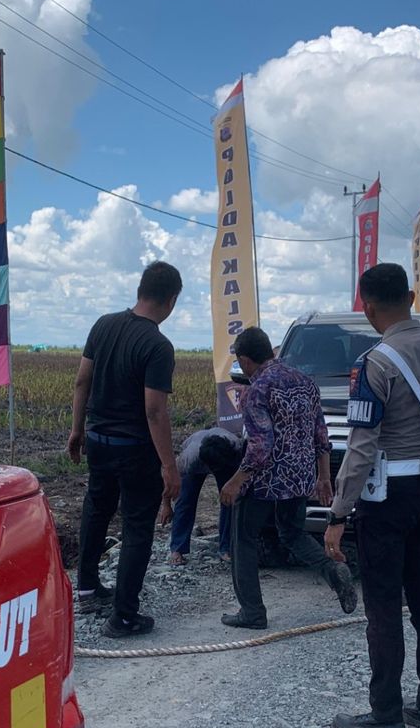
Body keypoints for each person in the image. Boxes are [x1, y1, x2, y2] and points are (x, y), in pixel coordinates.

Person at [324, 263, 420, 728]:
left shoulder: (374, 363)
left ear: (366, 307)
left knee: (383, 604)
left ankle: (385, 716)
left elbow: (362, 446)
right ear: (410, 297)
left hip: (387, 495)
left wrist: (338, 513)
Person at [67, 261, 183, 637]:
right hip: (134, 450)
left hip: (98, 442)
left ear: (140, 290)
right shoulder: (158, 345)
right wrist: (169, 465)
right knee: (136, 527)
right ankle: (124, 616)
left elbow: (82, 381)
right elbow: (154, 410)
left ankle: (87, 589)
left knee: (96, 511)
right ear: (171, 299)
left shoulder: (103, 325)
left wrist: (77, 429)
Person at [221, 326, 356, 628]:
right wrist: (324, 476)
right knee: (293, 534)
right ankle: (333, 572)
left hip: (264, 481)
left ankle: (252, 612)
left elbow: (261, 445)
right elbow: (321, 434)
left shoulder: (257, 390)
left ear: (244, 360)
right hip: (300, 477)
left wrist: (236, 480)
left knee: (243, 540)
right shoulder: (305, 382)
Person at [165, 426, 244, 565]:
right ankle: (177, 549)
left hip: (226, 459)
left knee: (229, 500)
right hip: (197, 458)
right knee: (185, 501)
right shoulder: (189, 459)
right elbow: (170, 479)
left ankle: (226, 548)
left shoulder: (235, 447)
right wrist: (166, 506)